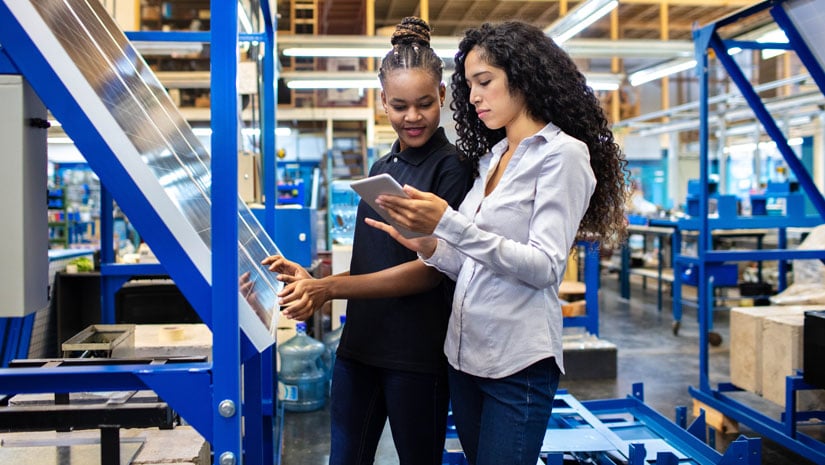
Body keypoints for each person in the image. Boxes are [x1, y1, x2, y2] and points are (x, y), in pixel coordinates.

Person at [366, 21, 628, 465]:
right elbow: (463, 257)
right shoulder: (492, 159)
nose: (473, 97)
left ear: (522, 77)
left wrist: (448, 221)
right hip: (465, 358)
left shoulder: (562, 156)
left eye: (484, 82)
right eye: (469, 85)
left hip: (517, 364)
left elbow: (545, 265)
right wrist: (424, 242)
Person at [263, 17, 473, 465]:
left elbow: (429, 272)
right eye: (399, 106)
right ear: (382, 102)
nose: (412, 117)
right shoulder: (384, 166)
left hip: (415, 357)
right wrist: (314, 278)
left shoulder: (451, 169)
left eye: (423, 104)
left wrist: (329, 289)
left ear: (442, 96)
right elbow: (373, 261)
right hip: (358, 348)